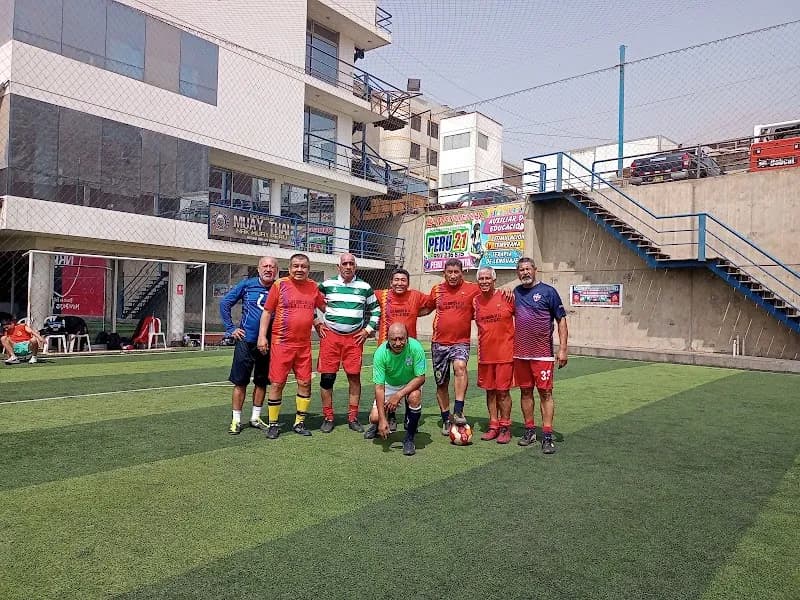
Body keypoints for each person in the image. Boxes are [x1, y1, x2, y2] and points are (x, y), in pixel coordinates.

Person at [256, 253, 326, 439]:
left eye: (303, 266)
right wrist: (262, 336)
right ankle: (273, 424)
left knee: (305, 383)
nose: (299, 269)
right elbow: (267, 312)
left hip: (303, 345)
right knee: (277, 383)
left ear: (309, 269)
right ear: (289, 268)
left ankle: (299, 423)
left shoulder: (313, 287)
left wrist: (321, 323)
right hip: (281, 343)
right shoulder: (280, 285)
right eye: (296, 266)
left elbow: (325, 308)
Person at [316, 253, 380, 433]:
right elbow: (310, 301)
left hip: (354, 338)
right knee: (327, 378)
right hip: (331, 338)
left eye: (351, 263)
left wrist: (368, 330)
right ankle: (328, 417)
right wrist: (317, 322)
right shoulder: (327, 285)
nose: (348, 266)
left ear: (355, 267)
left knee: (354, 377)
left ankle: (353, 418)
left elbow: (376, 309)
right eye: (345, 263)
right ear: (339, 267)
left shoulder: (364, 287)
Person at [513, 257, 568, 454]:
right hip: (520, 354)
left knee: (545, 393)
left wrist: (563, 348)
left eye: (528, 269)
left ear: (535, 270)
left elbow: (561, 320)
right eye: (521, 270)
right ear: (518, 273)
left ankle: (546, 434)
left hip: (542, 355)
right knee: (525, 392)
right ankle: (529, 430)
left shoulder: (548, 292)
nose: (525, 272)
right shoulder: (516, 292)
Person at [219, 256, 278, 435]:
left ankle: (255, 417)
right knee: (240, 382)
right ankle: (236, 420)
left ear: (277, 270)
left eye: (272, 267)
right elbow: (225, 303)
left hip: (268, 343)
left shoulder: (280, 287)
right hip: (246, 341)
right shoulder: (247, 285)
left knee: (261, 382)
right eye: (265, 266)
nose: (269, 269)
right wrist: (231, 328)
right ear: (258, 269)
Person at [424, 257, 482, 434]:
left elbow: (488, 297)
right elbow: (425, 308)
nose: (453, 275)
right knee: (441, 383)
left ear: (462, 273)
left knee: (460, 366)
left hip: (460, 342)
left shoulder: (473, 289)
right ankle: (445, 419)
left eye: (456, 272)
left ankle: (458, 410)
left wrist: (508, 294)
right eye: (450, 272)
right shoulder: (437, 290)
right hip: (439, 343)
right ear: (444, 273)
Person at [374, 268, 431, 432]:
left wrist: (417, 313)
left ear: (408, 283)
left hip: (408, 350)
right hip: (387, 348)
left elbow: (433, 303)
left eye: (403, 280)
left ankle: (408, 415)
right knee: (387, 382)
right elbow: (364, 296)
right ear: (391, 282)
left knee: (410, 383)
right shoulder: (382, 295)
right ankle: (389, 416)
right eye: (396, 280)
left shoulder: (416, 296)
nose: (399, 283)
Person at [364, 323, 427, 456]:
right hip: (389, 384)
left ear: (407, 338)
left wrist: (398, 395)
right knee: (375, 417)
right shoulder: (380, 353)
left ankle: (409, 438)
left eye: (401, 338)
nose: (398, 343)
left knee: (414, 397)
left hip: (410, 382)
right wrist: (382, 419)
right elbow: (379, 387)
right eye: (394, 339)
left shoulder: (415, 347)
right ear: (387, 338)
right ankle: (378, 425)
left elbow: (420, 377)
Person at [473, 266, 515, 444]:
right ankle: (493, 425)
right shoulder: (475, 301)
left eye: (487, 278)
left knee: (503, 393)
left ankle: (505, 427)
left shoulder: (507, 297)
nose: (484, 281)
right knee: (490, 392)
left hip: (505, 354)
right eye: (481, 279)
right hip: (485, 355)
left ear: (494, 280)